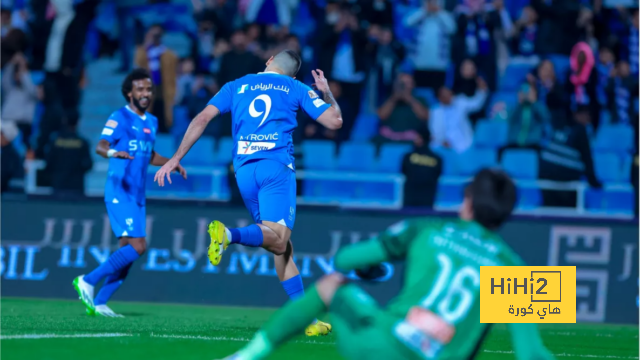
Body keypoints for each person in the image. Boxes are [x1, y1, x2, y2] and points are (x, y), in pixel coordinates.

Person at [218, 169, 555, 360]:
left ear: (467, 201)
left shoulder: (427, 229)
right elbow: (531, 352)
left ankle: (246, 356)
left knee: (333, 284)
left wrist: (372, 269)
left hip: (383, 348)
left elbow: (344, 260)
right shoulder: (520, 271)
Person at [154, 50, 342, 336]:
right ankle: (228, 235)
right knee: (279, 242)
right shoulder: (295, 87)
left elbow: (202, 119)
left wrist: (176, 157)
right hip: (275, 169)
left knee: (280, 245)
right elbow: (334, 122)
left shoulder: (236, 85)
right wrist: (327, 93)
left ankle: (305, 318)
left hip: (243, 173)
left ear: (268, 62)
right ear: (291, 74)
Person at [72, 69, 187, 317]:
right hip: (119, 190)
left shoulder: (152, 122)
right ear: (129, 93)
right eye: (140, 89)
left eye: (149, 89)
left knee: (127, 252)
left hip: (137, 194)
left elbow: (150, 154)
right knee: (138, 245)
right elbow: (101, 147)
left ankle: (101, 302)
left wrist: (170, 163)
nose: (146, 94)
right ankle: (88, 280)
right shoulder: (119, 117)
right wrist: (115, 153)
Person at [43, 110, 93, 196]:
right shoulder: (82, 142)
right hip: (76, 187)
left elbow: (48, 163)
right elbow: (88, 164)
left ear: (64, 121)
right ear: (78, 122)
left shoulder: (55, 142)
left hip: (58, 186)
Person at [401, 127, 442, 208]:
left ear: (420, 138)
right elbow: (438, 175)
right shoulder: (438, 159)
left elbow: (403, 171)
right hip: (428, 201)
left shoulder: (408, 157)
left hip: (410, 200)